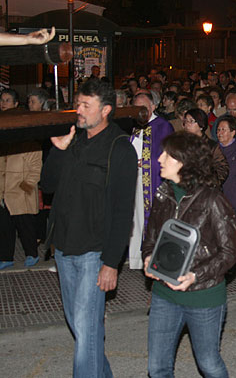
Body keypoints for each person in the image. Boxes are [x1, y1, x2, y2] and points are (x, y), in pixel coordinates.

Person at [40, 79, 137, 377]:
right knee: (83, 329)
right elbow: (47, 186)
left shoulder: (120, 149)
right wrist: (58, 150)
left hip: (94, 254)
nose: (78, 111)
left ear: (105, 110)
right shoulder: (73, 140)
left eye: (85, 106)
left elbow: (123, 213)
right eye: (78, 104)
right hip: (64, 248)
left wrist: (111, 263)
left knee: (86, 329)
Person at [142, 132, 236, 378]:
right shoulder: (162, 193)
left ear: (185, 162)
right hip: (164, 292)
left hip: (203, 296)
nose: (160, 159)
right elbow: (150, 237)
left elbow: (230, 252)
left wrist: (195, 275)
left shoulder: (212, 199)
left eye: (168, 155)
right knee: (157, 368)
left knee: (208, 364)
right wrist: (148, 257)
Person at [129, 92, 174, 269]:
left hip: (150, 180)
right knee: (133, 219)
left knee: (149, 219)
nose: (140, 112)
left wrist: (145, 163)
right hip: (131, 178)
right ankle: (134, 259)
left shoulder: (163, 126)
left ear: (153, 107)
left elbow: (166, 155)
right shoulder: (131, 125)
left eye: (144, 108)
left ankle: (150, 258)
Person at [0, 93, 42, 269]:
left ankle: (32, 254)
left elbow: (35, 169)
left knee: (25, 227)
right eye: (1, 100)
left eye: (7, 100)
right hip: (3, 191)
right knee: (4, 228)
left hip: (20, 192)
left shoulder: (29, 141)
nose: (3, 103)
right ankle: (5, 257)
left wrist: (25, 188)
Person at [182, 108, 229, 187]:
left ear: (201, 125)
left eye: (191, 121)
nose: (187, 124)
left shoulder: (211, 146)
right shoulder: (182, 143)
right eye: (186, 121)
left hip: (204, 189)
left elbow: (222, 169)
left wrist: (209, 183)